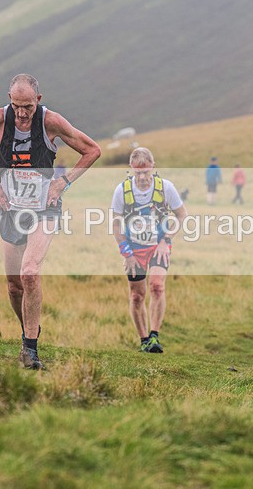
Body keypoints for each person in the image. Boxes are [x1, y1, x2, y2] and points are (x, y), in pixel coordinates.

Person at [0, 74, 101, 369]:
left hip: (44, 209)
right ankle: (29, 330)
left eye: (28, 107)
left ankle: (30, 349)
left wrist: (63, 182)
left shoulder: (51, 122)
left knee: (29, 273)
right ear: (9, 100)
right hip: (11, 210)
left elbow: (92, 150)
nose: (22, 113)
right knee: (14, 286)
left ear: (38, 99)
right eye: (16, 106)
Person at [111, 147, 188, 353]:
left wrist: (166, 240)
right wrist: (127, 253)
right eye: (138, 172)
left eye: (146, 172)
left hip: (158, 246)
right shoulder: (122, 190)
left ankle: (154, 336)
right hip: (133, 249)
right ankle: (144, 340)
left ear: (153, 167)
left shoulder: (166, 188)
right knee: (137, 295)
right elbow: (116, 225)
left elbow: (182, 215)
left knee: (157, 286)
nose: (143, 177)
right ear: (131, 168)